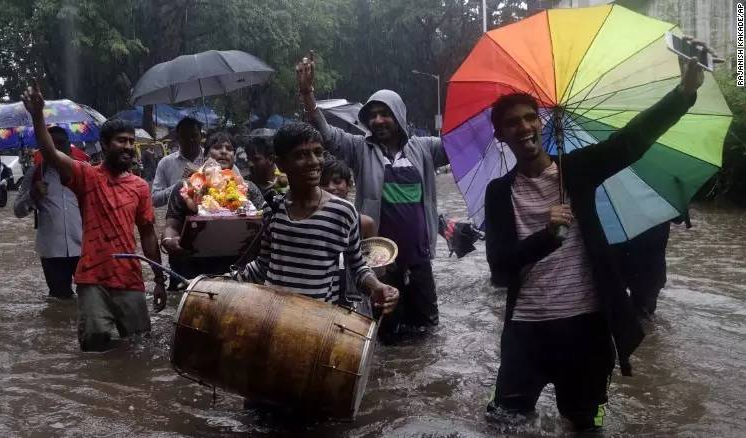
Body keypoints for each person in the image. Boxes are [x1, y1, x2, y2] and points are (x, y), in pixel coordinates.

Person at [482, 44, 712, 431]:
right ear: (501, 135)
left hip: (585, 327)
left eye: (529, 117)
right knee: (505, 422)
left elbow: (630, 141)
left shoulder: (578, 169)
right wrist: (546, 237)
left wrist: (683, 93)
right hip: (525, 328)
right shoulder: (498, 192)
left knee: (584, 425)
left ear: (541, 123)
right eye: (512, 123)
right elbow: (500, 266)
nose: (523, 127)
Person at [296, 53, 449, 340]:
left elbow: (460, 144)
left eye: (384, 113)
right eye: (373, 115)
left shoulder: (425, 147)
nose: (378, 120)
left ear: (399, 116)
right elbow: (326, 135)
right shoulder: (359, 148)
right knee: (385, 335)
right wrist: (307, 96)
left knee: (427, 334)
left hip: (419, 259)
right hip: (378, 263)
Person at [22, 81, 167, 352]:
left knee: (140, 347)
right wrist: (37, 115)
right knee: (94, 346)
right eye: (121, 141)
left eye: (131, 142)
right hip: (92, 278)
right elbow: (51, 153)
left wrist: (159, 280)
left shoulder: (140, 187)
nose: (128, 147)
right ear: (104, 145)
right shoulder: (86, 175)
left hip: (130, 278)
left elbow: (148, 235)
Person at [239, 122, 399, 313]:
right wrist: (223, 281)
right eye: (301, 155)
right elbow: (263, 266)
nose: (314, 161)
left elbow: (357, 267)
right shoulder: (273, 208)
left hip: (318, 321)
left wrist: (377, 286)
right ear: (280, 164)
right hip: (274, 318)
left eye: (318, 152)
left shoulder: (343, 212)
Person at [162, 131, 266, 283]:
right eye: (217, 147)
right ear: (205, 155)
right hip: (192, 271)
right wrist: (169, 240)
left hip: (236, 270)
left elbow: (264, 225)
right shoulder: (186, 187)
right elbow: (171, 226)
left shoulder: (248, 188)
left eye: (229, 149)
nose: (224, 151)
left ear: (234, 156)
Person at [13, 127, 83, 300]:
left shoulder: (84, 171)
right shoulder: (35, 173)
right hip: (51, 249)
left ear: (69, 146)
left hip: (84, 246)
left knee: (90, 296)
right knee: (59, 300)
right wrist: (32, 195)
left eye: (60, 143)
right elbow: (18, 211)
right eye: (50, 144)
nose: (55, 148)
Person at [151, 117, 205, 207]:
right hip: (177, 215)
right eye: (185, 136)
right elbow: (155, 200)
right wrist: (178, 186)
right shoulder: (165, 163)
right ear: (178, 138)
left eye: (194, 135)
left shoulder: (210, 158)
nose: (191, 140)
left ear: (201, 136)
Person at [320, 159, 377, 239]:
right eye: (324, 183)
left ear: (349, 185)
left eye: (337, 181)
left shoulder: (364, 224)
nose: (330, 187)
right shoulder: (309, 219)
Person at [245, 135, 281, 203]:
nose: (250, 164)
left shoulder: (286, 183)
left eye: (255, 159)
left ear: (270, 159)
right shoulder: (244, 185)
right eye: (248, 159)